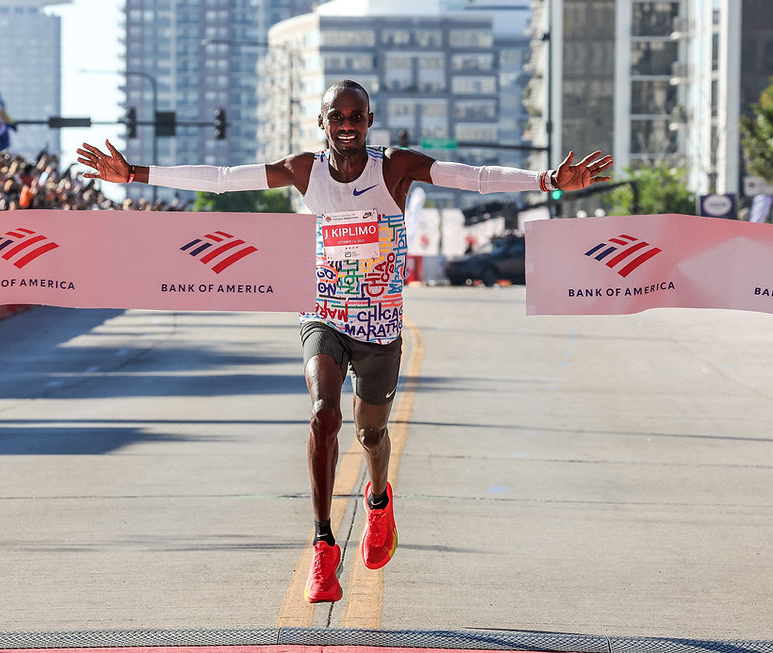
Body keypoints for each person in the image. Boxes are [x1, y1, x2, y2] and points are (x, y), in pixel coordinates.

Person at [77, 79, 612, 604]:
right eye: (338, 116)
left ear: (370, 122)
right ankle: (323, 543)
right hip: (324, 315)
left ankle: (378, 501)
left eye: (357, 116)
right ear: (322, 122)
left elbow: (472, 177)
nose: (348, 125)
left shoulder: (394, 166)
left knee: (371, 435)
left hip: (380, 326)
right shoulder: (303, 170)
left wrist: (546, 180)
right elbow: (222, 177)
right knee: (322, 416)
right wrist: (136, 173)